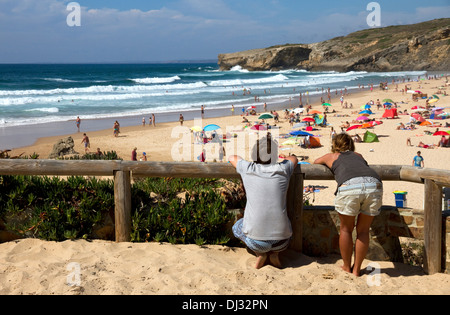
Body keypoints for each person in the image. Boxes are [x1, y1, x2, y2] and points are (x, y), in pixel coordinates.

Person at [314, 133, 383, 277]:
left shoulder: (331, 156)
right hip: (373, 184)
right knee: (363, 231)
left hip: (350, 187)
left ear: (334, 145)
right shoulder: (358, 155)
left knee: (346, 229)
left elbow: (315, 162)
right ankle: (357, 269)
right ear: (351, 144)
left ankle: (346, 266)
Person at [229, 135, 298, 269]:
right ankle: (275, 254)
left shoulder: (248, 168)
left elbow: (232, 157)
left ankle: (260, 253)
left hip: (256, 242)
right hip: (282, 241)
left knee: (237, 226)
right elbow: (294, 159)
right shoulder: (283, 169)